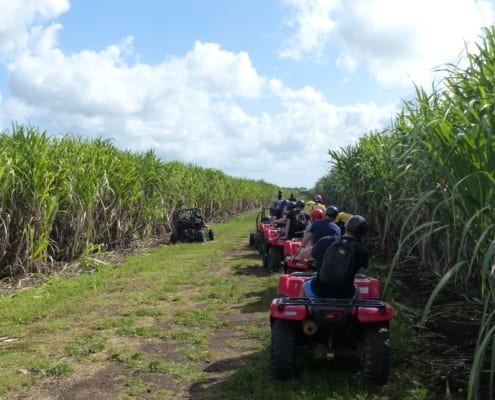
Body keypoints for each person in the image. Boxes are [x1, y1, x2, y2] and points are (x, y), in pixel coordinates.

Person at [299, 215, 369, 299]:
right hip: (346, 294)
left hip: (318, 290)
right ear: (363, 233)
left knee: (304, 286)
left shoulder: (325, 241)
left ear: (346, 226)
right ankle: (354, 312)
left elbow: (302, 256)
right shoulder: (363, 252)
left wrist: (307, 263)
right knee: (357, 290)